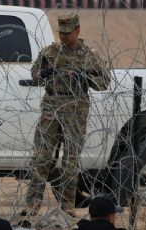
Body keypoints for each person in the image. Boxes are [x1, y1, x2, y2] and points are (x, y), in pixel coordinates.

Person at [21, 12, 111, 217]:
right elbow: (35, 72)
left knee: (70, 161)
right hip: (52, 106)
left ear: (77, 30)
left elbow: (104, 82)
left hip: (76, 109)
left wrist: (85, 78)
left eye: (67, 33)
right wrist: (41, 74)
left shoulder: (89, 55)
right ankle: (33, 203)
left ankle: (67, 205)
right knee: (42, 157)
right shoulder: (51, 52)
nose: (63, 37)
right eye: (60, 33)